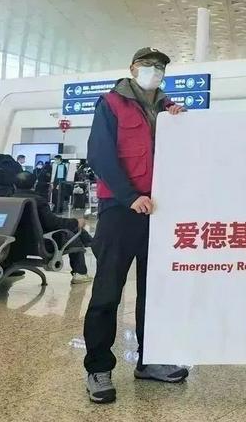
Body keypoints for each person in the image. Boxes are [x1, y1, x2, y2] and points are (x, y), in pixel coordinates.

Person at [82, 47, 188, 404]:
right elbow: (99, 154)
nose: (154, 71)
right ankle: (98, 367)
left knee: (155, 292)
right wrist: (129, 196)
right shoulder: (111, 103)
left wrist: (179, 120)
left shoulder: (169, 110)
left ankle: (150, 360)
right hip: (120, 209)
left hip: (161, 210)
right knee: (108, 291)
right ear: (132, 68)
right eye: (148, 65)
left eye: (160, 67)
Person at [14, 172, 93, 284]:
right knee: (72, 233)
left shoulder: (6, 199)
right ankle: (80, 273)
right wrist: (76, 222)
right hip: (40, 244)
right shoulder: (38, 201)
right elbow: (53, 223)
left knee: (73, 228)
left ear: (14, 185)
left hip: (13, 245)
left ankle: (89, 241)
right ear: (34, 184)